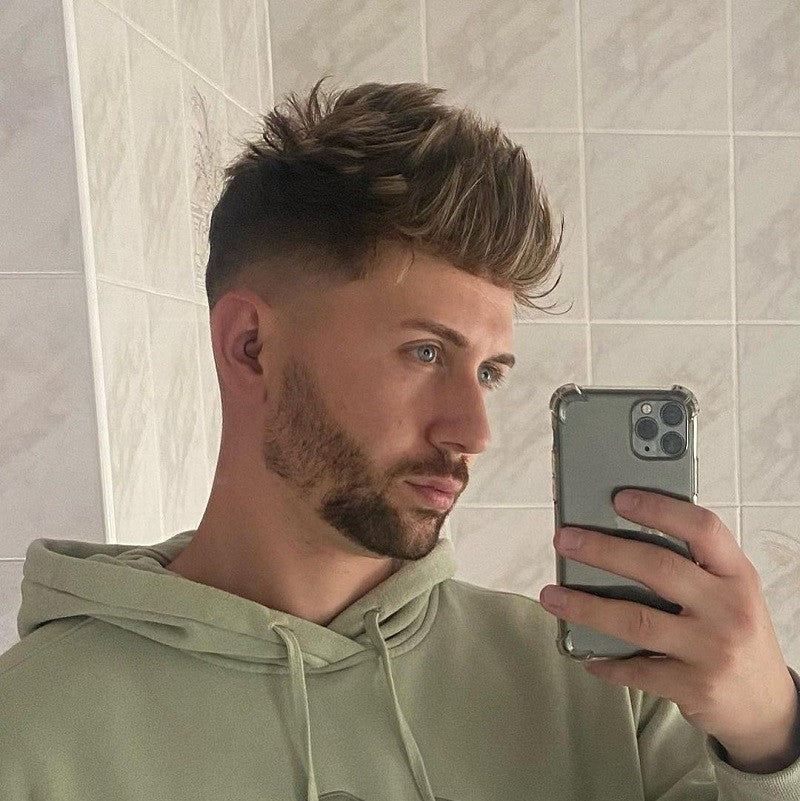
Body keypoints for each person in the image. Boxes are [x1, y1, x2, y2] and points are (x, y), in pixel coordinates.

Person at [1, 76, 798, 801]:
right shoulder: (31, 733)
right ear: (251, 347)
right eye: (425, 353)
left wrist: (771, 742)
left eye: (488, 372)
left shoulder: (608, 691)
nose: (475, 431)